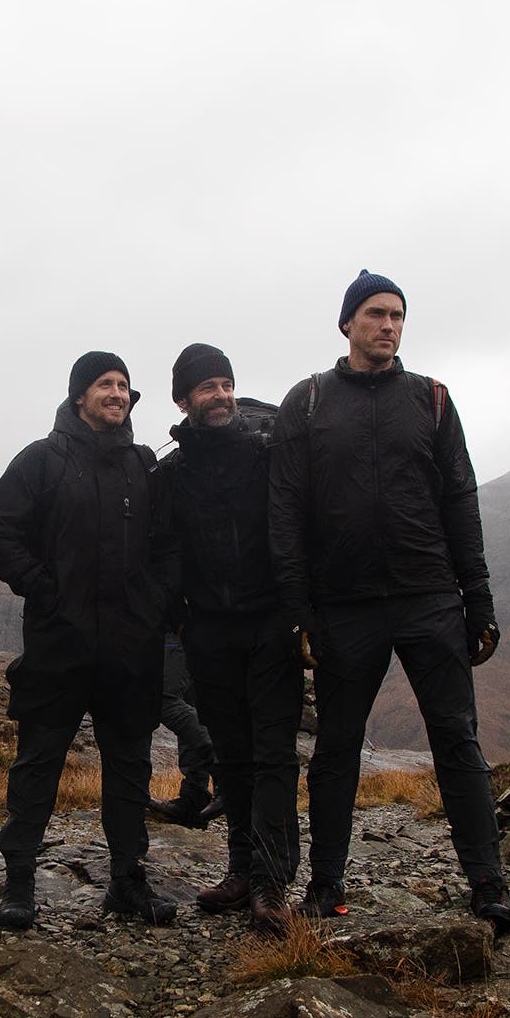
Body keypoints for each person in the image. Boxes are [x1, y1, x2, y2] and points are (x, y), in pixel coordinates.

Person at [267, 271, 510, 935]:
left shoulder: (430, 399)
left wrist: (479, 598)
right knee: (335, 751)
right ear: (347, 323)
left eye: (398, 315)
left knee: (457, 740)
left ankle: (489, 886)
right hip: (343, 606)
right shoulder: (310, 402)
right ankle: (325, 887)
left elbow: (459, 498)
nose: (389, 325)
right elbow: (286, 510)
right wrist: (300, 609)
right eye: (376, 314)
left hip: (430, 596)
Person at [0, 351, 177, 930]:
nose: (117, 394)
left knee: (129, 765)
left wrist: (154, 605)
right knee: (38, 762)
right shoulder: (41, 461)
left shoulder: (143, 465)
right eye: (104, 385)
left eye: (123, 386)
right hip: (58, 642)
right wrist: (43, 589)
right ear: (78, 397)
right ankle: (18, 880)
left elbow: (169, 545)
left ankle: (127, 881)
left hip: (129, 645)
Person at [153, 342, 303, 933]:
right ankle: (241, 869)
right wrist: (180, 619)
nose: (219, 396)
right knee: (234, 755)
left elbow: (295, 527)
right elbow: (165, 553)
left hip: (270, 624)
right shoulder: (172, 474)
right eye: (206, 387)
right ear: (183, 398)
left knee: (272, 755)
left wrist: (298, 610)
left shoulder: (265, 456)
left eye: (225, 384)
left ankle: (270, 882)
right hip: (209, 631)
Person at [148, 638, 221, 827]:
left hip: (176, 627)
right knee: (189, 701)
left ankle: (225, 770)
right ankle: (194, 797)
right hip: (194, 631)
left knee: (164, 699)